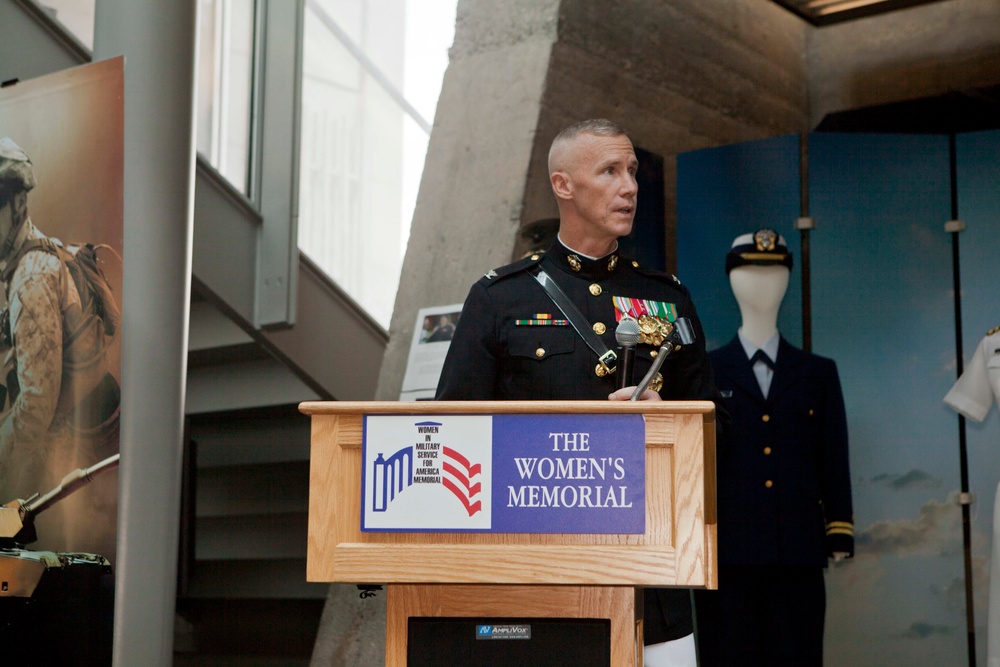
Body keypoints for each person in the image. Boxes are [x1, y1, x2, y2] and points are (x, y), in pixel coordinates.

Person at [436, 119, 719, 666]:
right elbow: (455, 437)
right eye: (610, 171)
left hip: (648, 582)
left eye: (632, 171)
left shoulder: (667, 297)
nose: (630, 186)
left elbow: (717, 432)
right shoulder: (500, 299)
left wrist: (672, 421)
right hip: (537, 580)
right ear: (564, 185)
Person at [694, 229, 853, 667]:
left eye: (775, 271)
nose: (764, 282)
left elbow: (832, 456)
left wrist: (839, 529)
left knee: (798, 656)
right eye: (750, 270)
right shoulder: (706, 372)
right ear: (731, 279)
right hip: (726, 556)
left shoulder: (818, 373)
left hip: (797, 554)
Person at [0, 137, 120, 517]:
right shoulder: (46, 250)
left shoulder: (31, 277)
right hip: (96, 436)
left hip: (82, 452)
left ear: (18, 205)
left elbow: (36, 407)